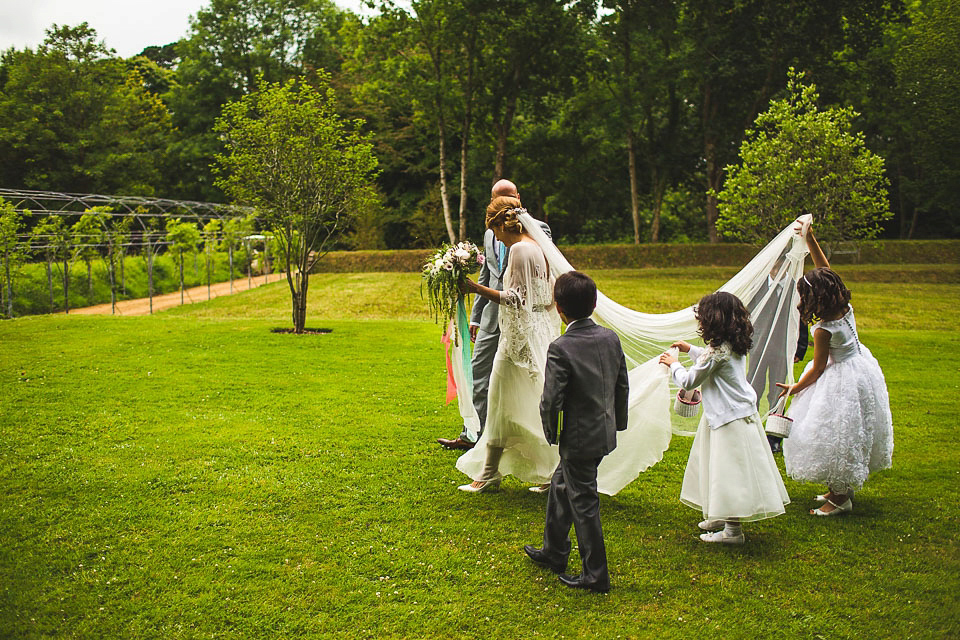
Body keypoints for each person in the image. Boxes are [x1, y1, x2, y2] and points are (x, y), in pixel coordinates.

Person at [776, 219, 893, 516]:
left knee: (839, 434)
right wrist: (811, 239)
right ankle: (838, 489)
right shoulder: (844, 307)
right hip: (861, 368)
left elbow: (816, 369)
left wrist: (794, 388)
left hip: (841, 379)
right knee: (849, 431)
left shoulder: (823, 330)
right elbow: (826, 270)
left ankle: (840, 499)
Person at [524, 272, 628, 593]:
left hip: (579, 439)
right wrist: (618, 422)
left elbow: (551, 399)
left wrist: (551, 433)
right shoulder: (610, 338)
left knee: (583, 502)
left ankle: (595, 575)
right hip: (602, 432)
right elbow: (622, 383)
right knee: (560, 485)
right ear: (594, 304)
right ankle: (554, 551)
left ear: (558, 308)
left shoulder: (561, 347)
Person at [659, 292, 790, 544]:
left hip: (729, 419)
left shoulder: (717, 352)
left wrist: (673, 363)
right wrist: (691, 350)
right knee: (720, 467)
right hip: (735, 414)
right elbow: (711, 360)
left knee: (729, 473)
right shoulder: (732, 345)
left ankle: (733, 532)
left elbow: (689, 380)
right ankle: (722, 514)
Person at [454, 196, 561, 491]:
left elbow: (515, 298)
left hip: (518, 339)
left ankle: (490, 474)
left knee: (501, 402)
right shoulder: (539, 247)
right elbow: (548, 296)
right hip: (536, 331)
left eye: (495, 231)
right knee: (537, 402)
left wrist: (475, 288)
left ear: (501, 224)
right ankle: (548, 473)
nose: (496, 238)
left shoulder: (520, 251)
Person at [437, 180, 551, 451]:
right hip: (491, 315)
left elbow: (541, 279)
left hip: (523, 318)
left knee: (531, 379)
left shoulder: (537, 230)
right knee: (479, 371)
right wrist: (476, 316)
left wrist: (476, 288)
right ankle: (473, 433)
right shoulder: (490, 234)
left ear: (518, 198)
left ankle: (533, 437)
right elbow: (489, 272)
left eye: (509, 199)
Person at [746, 253, 810, 453]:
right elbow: (747, 314)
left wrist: (800, 347)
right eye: (774, 267)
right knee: (753, 388)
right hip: (757, 347)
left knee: (777, 391)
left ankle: (773, 437)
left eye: (781, 268)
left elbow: (801, 319)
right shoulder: (757, 288)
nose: (777, 271)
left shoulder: (794, 289)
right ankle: (750, 431)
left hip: (782, 349)